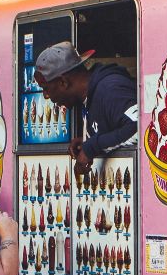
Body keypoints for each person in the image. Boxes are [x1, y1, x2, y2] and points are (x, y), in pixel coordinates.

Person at [34, 41, 139, 178]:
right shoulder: (88, 98)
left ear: (63, 82)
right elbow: (116, 130)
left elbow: (141, 128)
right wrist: (87, 142)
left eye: (46, 88)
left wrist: (92, 147)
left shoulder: (110, 90)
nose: (46, 96)